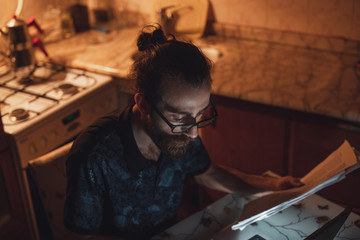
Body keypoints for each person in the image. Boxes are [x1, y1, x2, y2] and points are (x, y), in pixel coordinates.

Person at [64, 25, 303, 240]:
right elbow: (83, 237)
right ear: (144, 104)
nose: (193, 134)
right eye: (179, 117)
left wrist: (274, 185)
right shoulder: (94, 155)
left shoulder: (180, 131)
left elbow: (207, 173)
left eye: (200, 115)